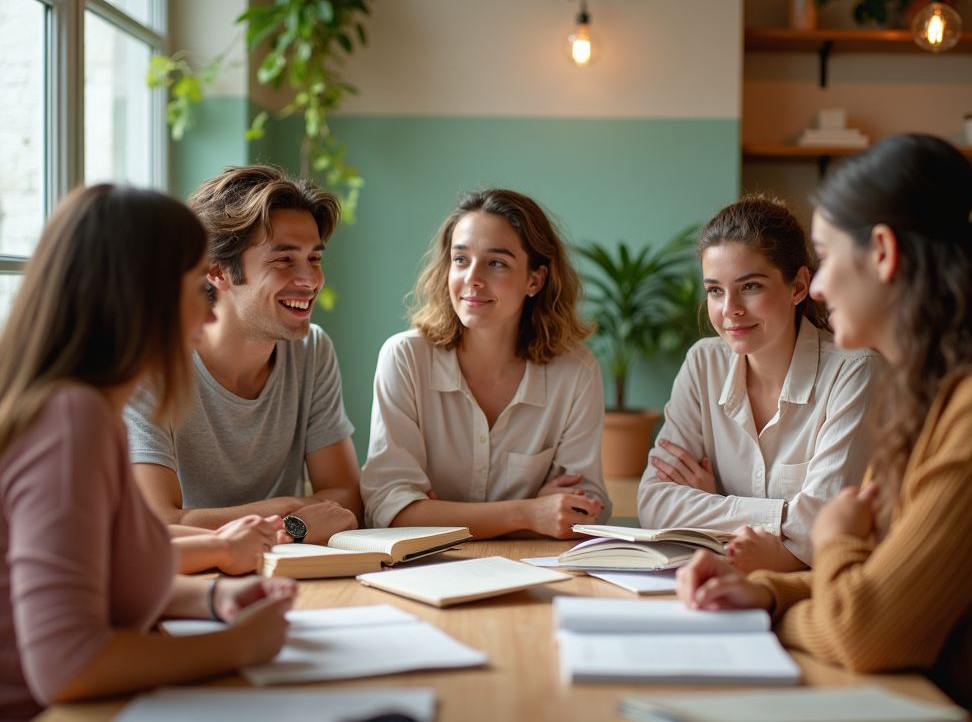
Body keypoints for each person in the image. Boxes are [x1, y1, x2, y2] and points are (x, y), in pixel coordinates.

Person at [677, 134, 972, 722]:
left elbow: (865, 629)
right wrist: (767, 591)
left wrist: (833, 539)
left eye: (828, 257)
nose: (815, 287)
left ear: (883, 253)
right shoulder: (938, 393)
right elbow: (886, 582)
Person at [0, 185, 295, 721]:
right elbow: (67, 665)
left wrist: (211, 601)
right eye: (195, 291)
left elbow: (106, 574)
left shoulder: (87, 414)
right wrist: (237, 648)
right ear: (140, 298)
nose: (208, 318)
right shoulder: (72, 423)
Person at [637, 196, 880, 573]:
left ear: (799, 286)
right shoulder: (703, 363)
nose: (729, 308)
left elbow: (824, 529)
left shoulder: (855, 372)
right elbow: (654, 502)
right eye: (715, 290)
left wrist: (713, 504)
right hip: (724, 587)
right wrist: (785, 517)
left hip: (825, 600)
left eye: (750, 286)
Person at [126, 165, 361, 545]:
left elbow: (345, 500)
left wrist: (275, 524)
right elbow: (159, 524)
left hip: (285, 571)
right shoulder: (152, 361)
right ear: (217, 272)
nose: (310, 279)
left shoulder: (312, 350)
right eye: (284, 260)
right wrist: (289, 511)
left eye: (314, 258)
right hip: (187, 579)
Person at [360, 188, 612, 538]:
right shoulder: (404, 358)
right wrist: (527, 513)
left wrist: (433, 515)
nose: (472, 279)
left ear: (534, 280)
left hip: (533, 572)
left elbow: (583, 510)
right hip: (423, 573)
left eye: (496, 263)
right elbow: (389, 511)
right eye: (461, 259)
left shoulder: (576, 372)